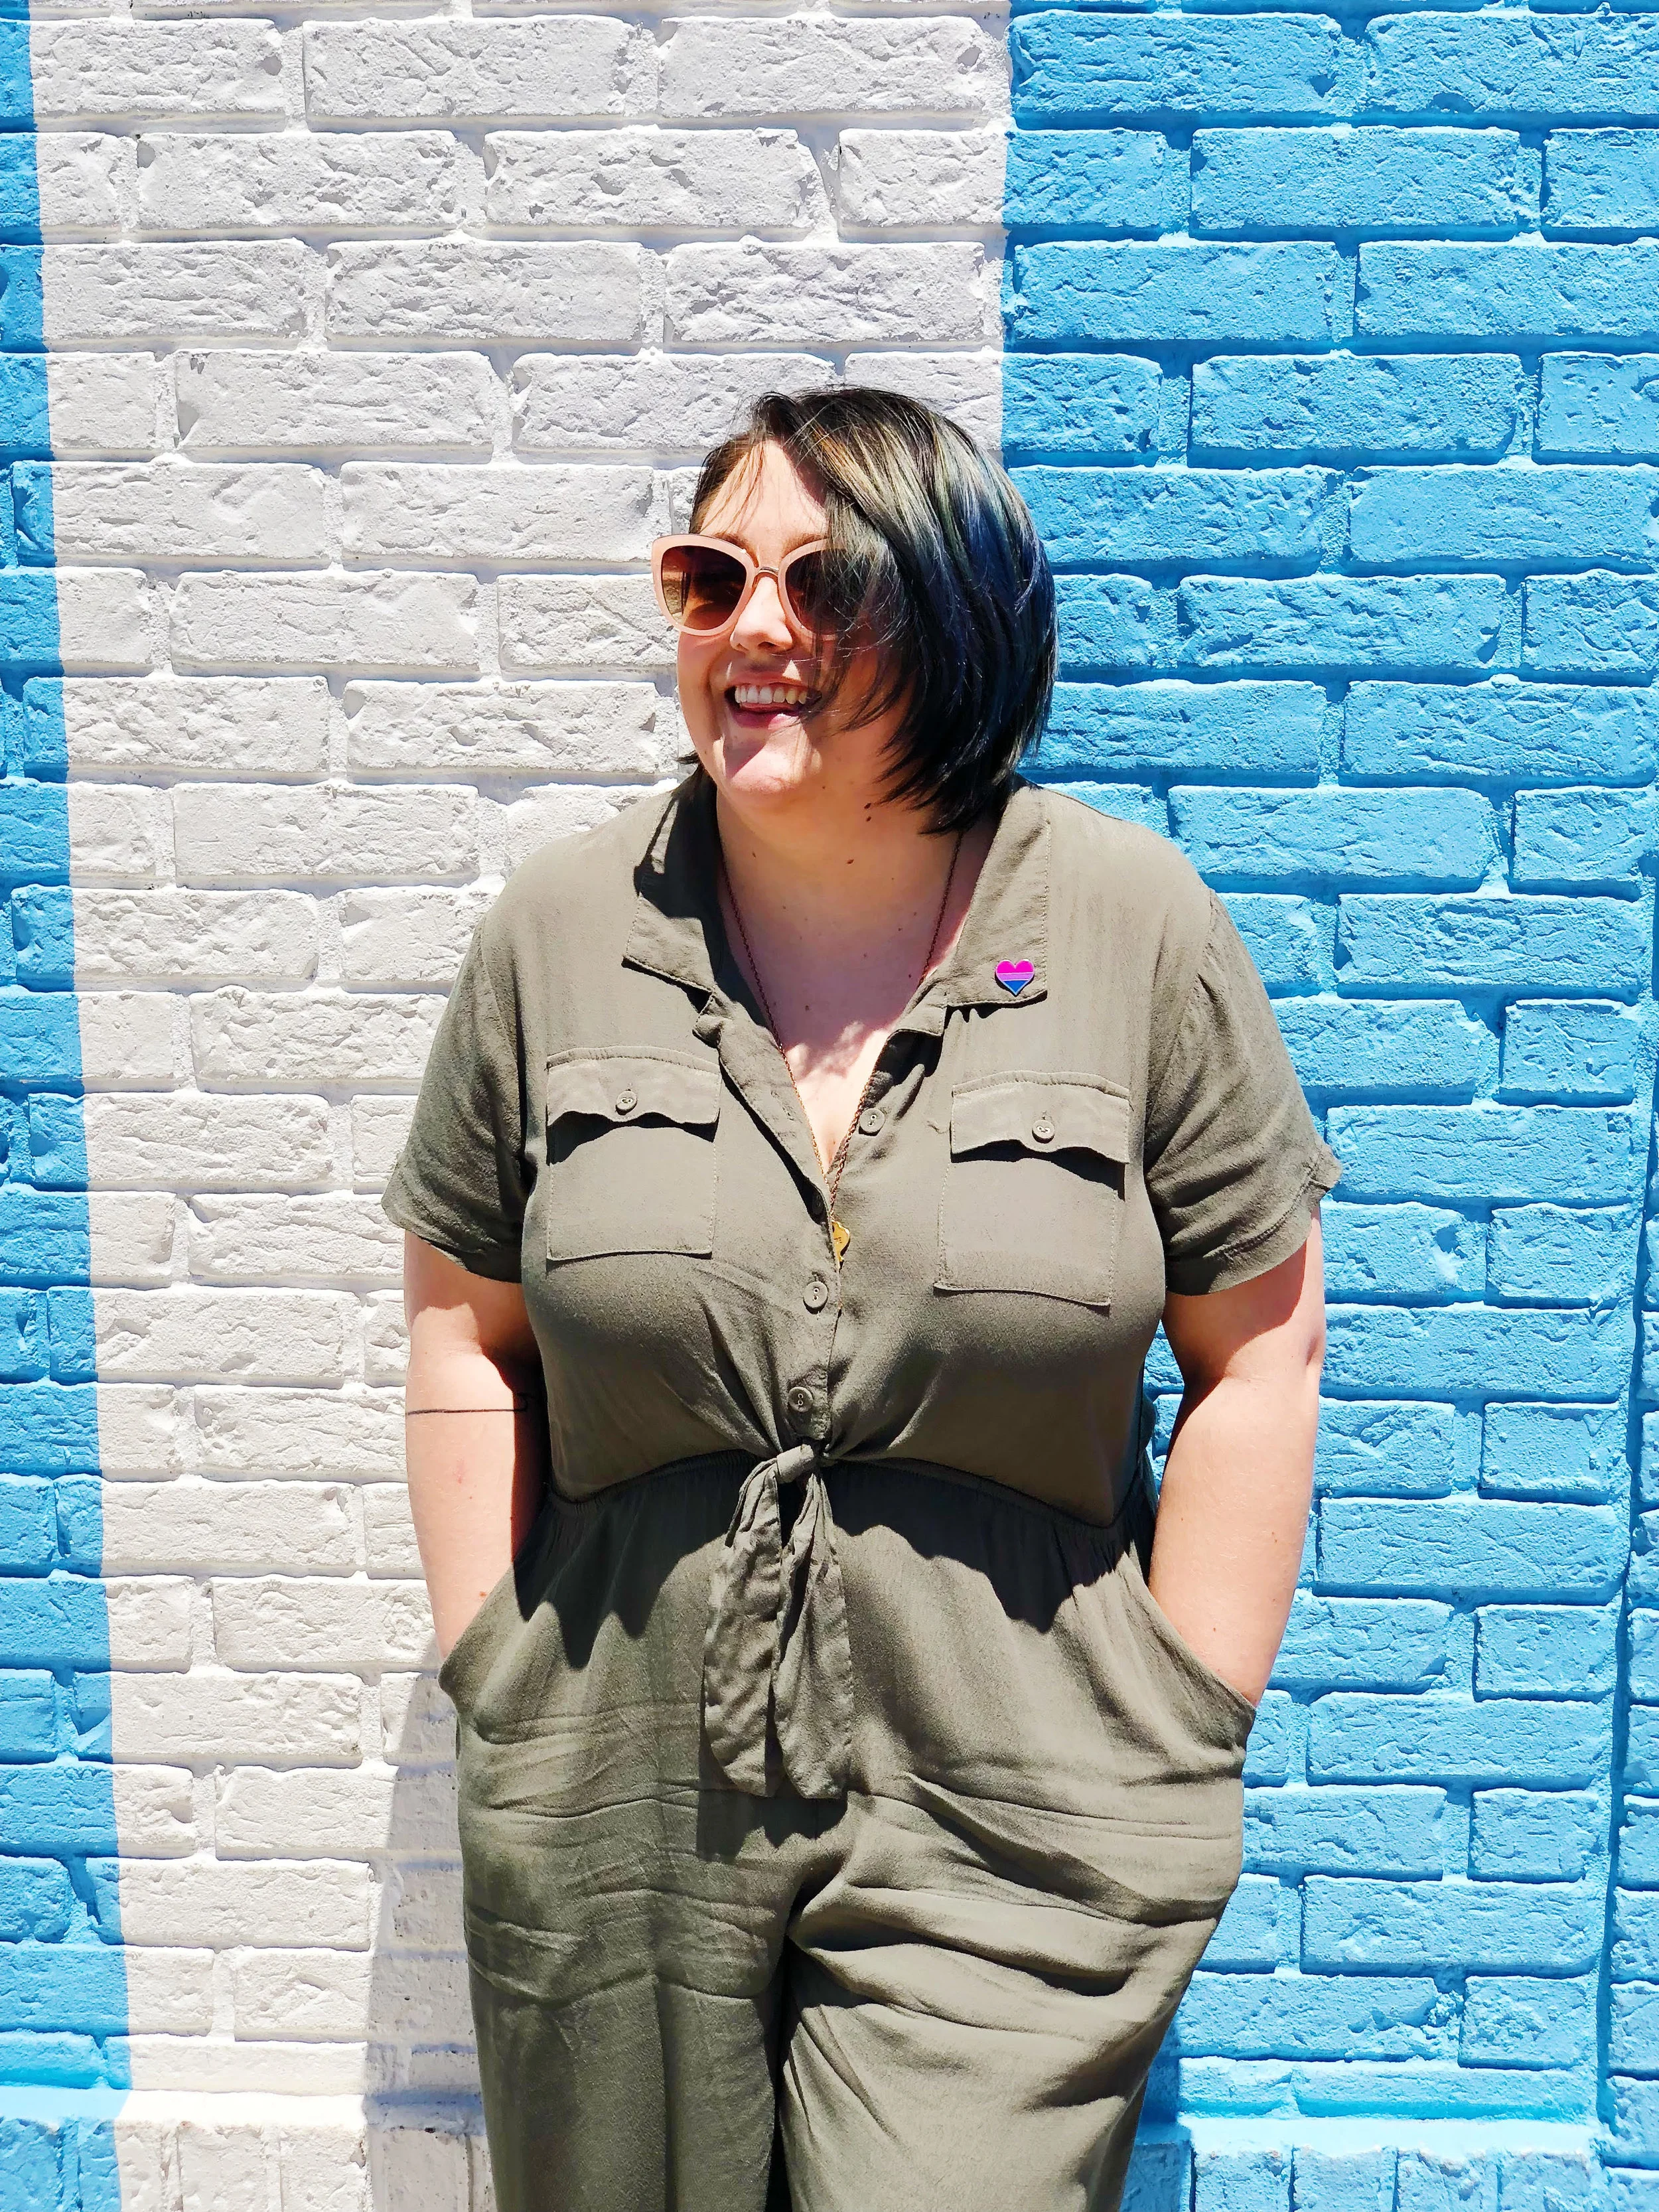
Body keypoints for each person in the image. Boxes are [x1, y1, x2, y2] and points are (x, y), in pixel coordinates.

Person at [387, 388, 1338, 2212]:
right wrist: (493, 1669)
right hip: (618, 1765)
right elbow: (461, 1326)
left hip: (1014, 1776)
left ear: (959, 612)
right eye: (710, 575)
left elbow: (1260, 1351)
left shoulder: (1132, 929)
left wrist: (1178, 1705)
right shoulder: (562, 933)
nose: (755, 628)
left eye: (826, 583)